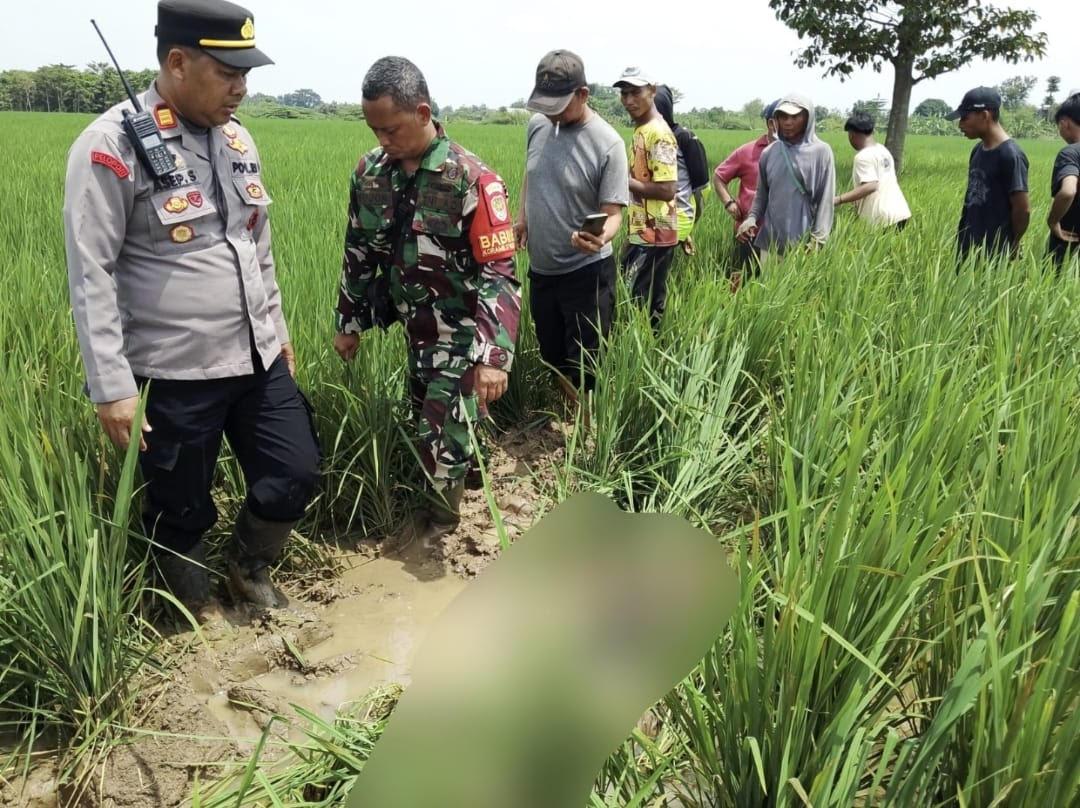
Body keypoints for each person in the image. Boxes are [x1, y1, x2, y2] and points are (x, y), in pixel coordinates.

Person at [62, 0, 321, 614]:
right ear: (177, 62)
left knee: (296, 471)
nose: (241, 88)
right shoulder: (110, 144)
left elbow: (256, 242)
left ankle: (247, 563)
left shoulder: (237, 136)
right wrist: (111, 385)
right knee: (179, 505)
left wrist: (277, 327)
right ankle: (185, 608)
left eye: (246, 75)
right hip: (173, 369)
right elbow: (89, 271)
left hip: (255, 356)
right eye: (227, 74)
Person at [334, 56, 521, 544]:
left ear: (422, 112)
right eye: (374, 129)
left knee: (441, 432)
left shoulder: (472, 179)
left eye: (391, 129)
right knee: (425, 418)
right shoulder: (371, 173)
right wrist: (348, 321)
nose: (383, 140)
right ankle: (466, 471)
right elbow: (357, 250)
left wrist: (494, 357)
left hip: (460, 332)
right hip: (412, 326)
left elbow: (499, 273)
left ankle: (439, 527)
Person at [515, 50, 628, 402]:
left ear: (583, 94)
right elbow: (530, 176)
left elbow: (614, 214)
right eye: (545, 105)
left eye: (560, 104)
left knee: (587, 364)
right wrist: (523, 218)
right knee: (551, 355)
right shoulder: (538, 126)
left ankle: (589, 434)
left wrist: (598, 238)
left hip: (586, 273)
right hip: (542, 269)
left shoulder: (608, 143)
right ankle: (567, 415)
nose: (552, 113)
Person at [614, 67, 678, 328]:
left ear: (652, 90)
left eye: (635, 92)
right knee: (638, 298)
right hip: (643, 231)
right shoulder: (642, 130)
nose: (629, 100)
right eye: (624, 93)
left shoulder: (659, 134)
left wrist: (620, 180)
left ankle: (646, 353)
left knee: (641, 301)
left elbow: (667, 190)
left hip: (656, 234)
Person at [737, 94, 836, 257]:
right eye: (783, 116)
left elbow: (825, 201)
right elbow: (762, 195)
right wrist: (751, 218)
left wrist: (818, 240)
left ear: (807, 118)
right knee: (768, 282)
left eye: (795, 116)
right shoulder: (769, 152)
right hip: (770, 243)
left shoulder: (821, 152)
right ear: (776, 119)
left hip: (804, 245)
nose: (788, 122)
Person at [949, 87, 1030, 261]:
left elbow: (1022, 208)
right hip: (968, 242)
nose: (960, 124)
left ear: (985, 115)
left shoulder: (1010, 155)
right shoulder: (978, 150)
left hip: (995, 249)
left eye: (965, 117)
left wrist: (1014, 242)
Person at [714, 100, 778, 277]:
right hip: (750, 232)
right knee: (747, 279)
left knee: (775, 284)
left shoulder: (796, 153)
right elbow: (719, 176)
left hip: (783, 234)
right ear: (770, 123)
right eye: (778, 119)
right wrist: (729, 203)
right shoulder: (747, 152)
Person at [654, 85, 709, 257]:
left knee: (644, 267)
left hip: (673, 217)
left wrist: (689, 224)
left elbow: (702, 188)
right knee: (634, 261)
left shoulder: (685, 138)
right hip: (650, 216)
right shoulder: (648, 137)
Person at [834, 111, 912, 229]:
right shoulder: (882, 150)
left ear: (852, 134)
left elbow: (871, 185)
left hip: (882, 218)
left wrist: (839, 199)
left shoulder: (863, 156)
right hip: (900, 212)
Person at [1047, 94, 1080, 268]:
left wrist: (1052, 221)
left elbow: (1068, 191)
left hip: (1069, 240)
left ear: (1064, 123)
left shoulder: (1071, 153)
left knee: (1055, 289)